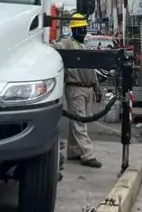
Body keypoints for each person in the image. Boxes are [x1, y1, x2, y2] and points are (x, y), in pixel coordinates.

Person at [52, 12, 102, 169]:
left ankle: (73, 151)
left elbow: (91, 69)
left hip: (87, 88)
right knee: (80, 121)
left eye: (84, 29)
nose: (84, 32)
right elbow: (53, 47)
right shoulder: (67, 44)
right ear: (74, 30)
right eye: (81, 29)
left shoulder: (84, 46)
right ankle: (88, 154)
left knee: (79, 120)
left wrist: (96, 86)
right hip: (75, 88)